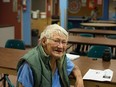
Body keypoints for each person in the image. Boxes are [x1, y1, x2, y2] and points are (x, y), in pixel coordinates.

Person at [16, 24, 84, 87]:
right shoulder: (30, 64)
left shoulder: (61, 58)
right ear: (44, 41)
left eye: (64, 42)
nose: (60, 46)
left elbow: (75, 68)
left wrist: (79, 79)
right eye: (56, 41)